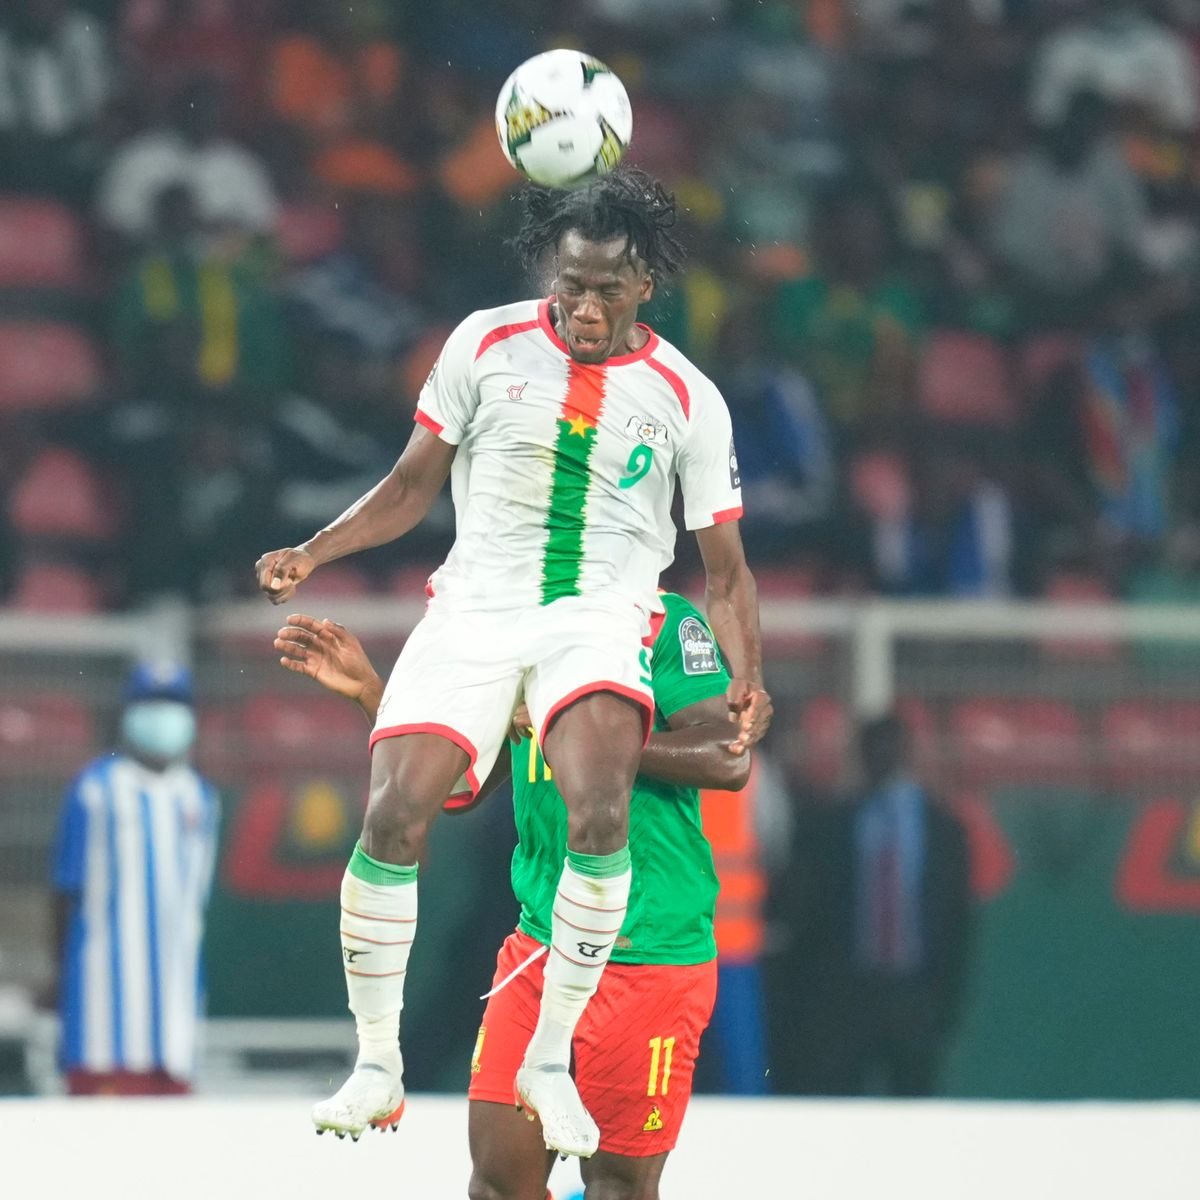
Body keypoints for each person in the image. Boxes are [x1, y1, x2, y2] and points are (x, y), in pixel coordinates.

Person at [254, 166, 771, 1155]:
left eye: (606, 289)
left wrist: (749, 675)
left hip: (598, 614)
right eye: (569, 285)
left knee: (597, 807)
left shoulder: (689, 400)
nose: (584, 306)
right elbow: (411, 486)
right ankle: (377, 1064)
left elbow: (728, 570)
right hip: (479, 604)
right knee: (393, 810)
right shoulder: (484, 344)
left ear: (645, 285)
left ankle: (549, 1058)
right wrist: (316, 550)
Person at [273, 599, 759, 1198]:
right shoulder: (516, 628)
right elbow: (462, 787)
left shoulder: (660, 622)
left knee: (616, 1188)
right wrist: (374, 694)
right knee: (496, 1188)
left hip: (650, 954)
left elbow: (730, 757)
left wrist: (583, 741)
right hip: (539, 949)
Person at [776, 712, 972, 1097]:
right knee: (841, 1102)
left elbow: (956, 921)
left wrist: (945, 998)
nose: (883, 756)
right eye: (874, 748)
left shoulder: (943, 829)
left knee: (913, 1103)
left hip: (913, 991)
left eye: (891, 747)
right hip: (847, 993)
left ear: (907, 752)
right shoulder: (833, 823)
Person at [46, 661, 220, 1095]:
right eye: (151, 704)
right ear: (128, 714)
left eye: (173, 705)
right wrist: (62, 982)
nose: (163, 717)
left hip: (176, 1030)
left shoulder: (201, 798)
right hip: (101, 1027)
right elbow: (63, 894)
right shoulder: (94, 789)